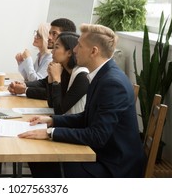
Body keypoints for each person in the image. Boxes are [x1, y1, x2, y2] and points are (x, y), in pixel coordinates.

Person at [18, 24, 146, 177]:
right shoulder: (101, 75)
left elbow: (97, 136)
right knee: (40, 156)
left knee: (42, 159)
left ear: (94, 51)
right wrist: (52, 121)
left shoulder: (112, 83)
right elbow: (87, 117)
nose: (75, 50)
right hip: (104, 155)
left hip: (114, 166)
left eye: (79, 45)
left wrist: (50, 133)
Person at [9, 32, 89, 114]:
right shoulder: (64, 70)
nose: (52, 52)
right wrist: (51, 80)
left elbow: (59, 110)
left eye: (56, 48)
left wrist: (56, 80)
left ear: (69, 52)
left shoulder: (82, 77)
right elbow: (52, 104)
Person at [9, 18, 77, 100]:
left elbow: (50, 94)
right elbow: (43, 82)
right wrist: (23, 85)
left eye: (54, 34)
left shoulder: (75, 72)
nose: (49, 37)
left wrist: (25, 89)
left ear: (66, 37)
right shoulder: (58, 61)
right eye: (49, 33)